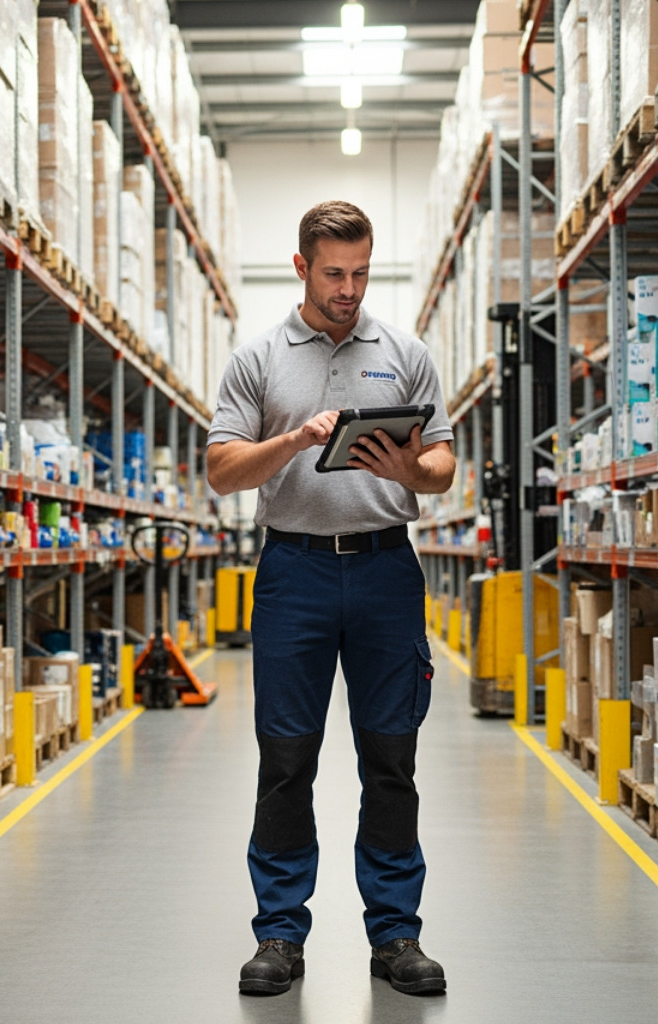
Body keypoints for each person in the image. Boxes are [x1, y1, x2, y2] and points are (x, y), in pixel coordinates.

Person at [206, 201, 455, 997]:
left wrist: (406, 472)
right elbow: (221, 470)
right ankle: (279, 933)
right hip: (295, 573)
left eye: (361, 272)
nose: (349, 290)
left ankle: (396, 935)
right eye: (334, 273)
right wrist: (295, 443)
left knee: (391, 758)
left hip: (385, 571)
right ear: (302, 268)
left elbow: (445, 464)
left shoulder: (405, 352)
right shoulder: (257, 359)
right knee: (286, 760)